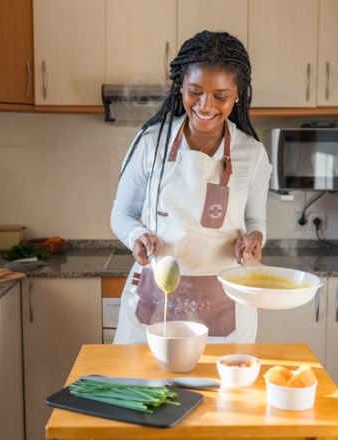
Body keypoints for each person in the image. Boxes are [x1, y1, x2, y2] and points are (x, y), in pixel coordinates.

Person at [110, 30, 272, 344]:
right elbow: (121, 214)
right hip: (153, 297)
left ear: (238, 93)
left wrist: (255, 238)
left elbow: (256, 221)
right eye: (194, 91)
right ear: (180, 87)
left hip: (225, 303)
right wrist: (136, 236)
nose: (205, 105)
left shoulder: (252, 154)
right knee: (141, 389)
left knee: (222, 391)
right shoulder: (150, 144)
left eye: (220, 96)